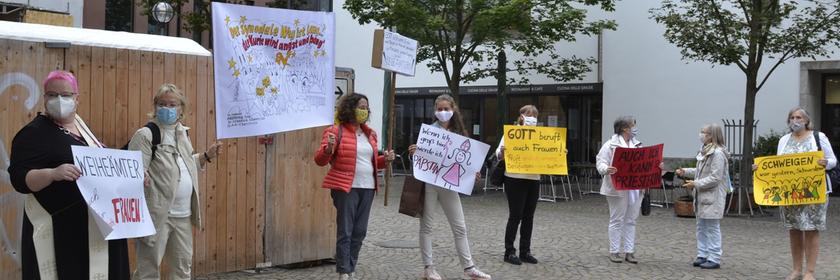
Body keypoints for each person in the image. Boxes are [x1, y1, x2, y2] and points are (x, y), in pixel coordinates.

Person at [8, 70, 131, 279]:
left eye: (65, 95)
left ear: (76, 98)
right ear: (45, 97)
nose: (59, 100)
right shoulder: (33, 133)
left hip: (97, 226)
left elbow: (103, 168)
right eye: (53, 95)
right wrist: (52, 174)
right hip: (64, 233)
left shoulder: (82, 128)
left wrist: (133, 177)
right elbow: (20, 179)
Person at [129, 84, 221, 280]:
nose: (167, 108)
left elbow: (182, 165)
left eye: (172, 104)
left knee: (182, 269)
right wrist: (140, 174)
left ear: (181, 109)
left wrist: (205, 156)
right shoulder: (145, 135)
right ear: (155, 106)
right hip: (156, 216)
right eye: (162, 104)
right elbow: (134, 170)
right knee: (148, 271)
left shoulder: (183, 132)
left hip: (183, 215)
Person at [408, 94, 492, 280]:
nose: (443, 112)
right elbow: (418, 161)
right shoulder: (428, 132)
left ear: (453, 110)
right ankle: (428, 268)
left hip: (449, 185)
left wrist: (473, 174)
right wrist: (414, 153)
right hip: (429, 183)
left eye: (446, 109)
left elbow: (468, 163)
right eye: (440, 109)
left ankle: (469, 267)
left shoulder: (460, 135)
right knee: (427, 226)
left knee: (460, 227)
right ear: (434, 111)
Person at [314, 93, 395, 280]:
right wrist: (328, 149)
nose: (364, 110)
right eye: (360, 106)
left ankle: (350, 266)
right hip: (345, 187)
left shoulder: (370, 134)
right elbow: (319, 160)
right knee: (346, 230)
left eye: (366, 107)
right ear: (350, 108)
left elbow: (372, 162)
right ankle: (344, 271)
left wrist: (385, 160)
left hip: (368, 187)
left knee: (360, 231)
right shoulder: (335, 131)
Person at [753, 107, 836, 280]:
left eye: (799, 117)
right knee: (794, 229)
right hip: (789, 193)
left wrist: (825, 162)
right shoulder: (784, 140)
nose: (795, 120)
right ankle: (797, 269)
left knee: (812, 229)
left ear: (806, 121)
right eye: (792, 117)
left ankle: (810, 271)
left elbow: (833, 161)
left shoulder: (818, 137)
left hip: (814, 192)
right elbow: (777, 165)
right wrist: (760, 170)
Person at [595, 115, 659, 264]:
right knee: (617, 219)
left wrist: (657, 167)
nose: (635, 128)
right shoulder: (610, 144)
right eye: (633, 125)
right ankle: (614, 251)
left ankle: (629, 252)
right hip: (617, 187)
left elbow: (645, 164)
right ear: (625, 128)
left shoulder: (637, 145)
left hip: (635, 188)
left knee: (631, 220)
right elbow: (600, 162)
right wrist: (606, 169)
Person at [676, 123, 730, 269]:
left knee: (712, 227)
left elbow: (715, 177)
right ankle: (703, 254)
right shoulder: (705, 151)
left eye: (704, 132)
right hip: (703, 196)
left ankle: (714, 257)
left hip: (712, 196)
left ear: (712, 135)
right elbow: (700, 171)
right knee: (701, 226)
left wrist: (696, 184)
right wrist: (685, 172)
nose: (701, 134)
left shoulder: (717, 154)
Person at [495, 105, 542, 265]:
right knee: (515, 215)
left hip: (533, 178)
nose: (532, 118)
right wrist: (502, 152)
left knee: (529, 216)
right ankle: (509, 251)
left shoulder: (540, 135)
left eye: (535, 115)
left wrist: (558, 154)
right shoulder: (511, 132)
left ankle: (525, 251)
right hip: (514, 178)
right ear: (521, 116)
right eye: (529, 114)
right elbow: (498, 154)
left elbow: (547, 153)